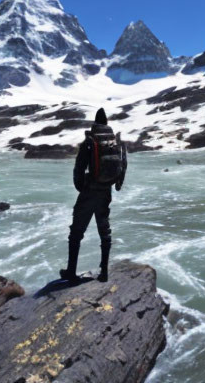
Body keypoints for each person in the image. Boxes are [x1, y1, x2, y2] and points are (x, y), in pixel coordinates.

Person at [60, 107, 127, 283]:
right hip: (106, 191)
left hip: (90, 191)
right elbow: (123, 164)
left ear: (95, 123)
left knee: (76, 232)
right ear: (106, 122)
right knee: (104, 231)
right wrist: (116, 184)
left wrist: (81, 187)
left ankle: (71, 273)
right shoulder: (114, 142)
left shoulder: (90, 141)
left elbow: (79, 168)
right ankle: (104, 272)